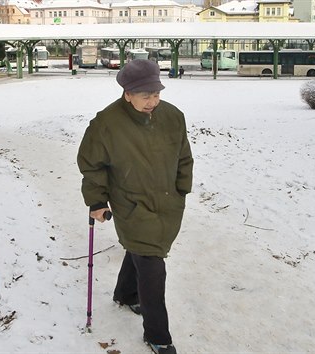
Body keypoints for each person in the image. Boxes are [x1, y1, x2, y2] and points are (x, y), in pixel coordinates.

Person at [77, 59, 193, 354]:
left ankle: (126, 294)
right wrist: (96, 201)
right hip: (131, 205)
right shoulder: (106, 123)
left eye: (156, 94)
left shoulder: (173, 116)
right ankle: (158, 336)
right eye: (146, 96)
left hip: (168, 202)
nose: (153, 101)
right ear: (127, 93)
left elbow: (184, 157)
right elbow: (92, 166)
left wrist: (182, 188)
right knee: (153, 266)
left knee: (143, 251)